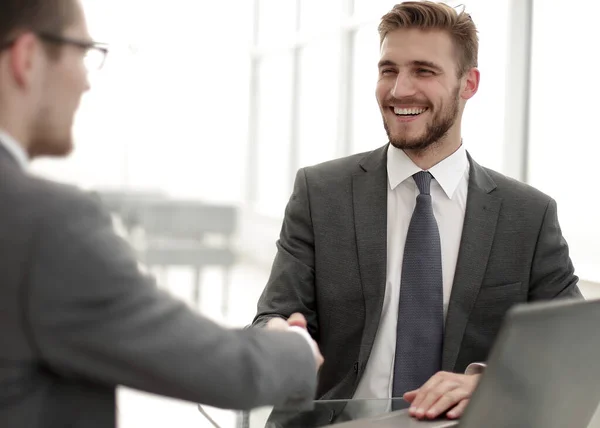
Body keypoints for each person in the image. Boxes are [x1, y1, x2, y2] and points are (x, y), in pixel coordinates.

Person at [253, 0, 581, 422]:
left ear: (469, 83)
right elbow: (273, 315)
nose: (398, 90)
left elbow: (575, 348)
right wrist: (276, 336)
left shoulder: (528, 216)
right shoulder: (321, 193)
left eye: (423, 71)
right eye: (388, 69)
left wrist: (487, 380)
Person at [0, 1, 323, 427]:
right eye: (83, 52)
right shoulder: (47, 224)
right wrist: (296, 347)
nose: (85, 83)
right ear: (27, 58)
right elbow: (222, 369)